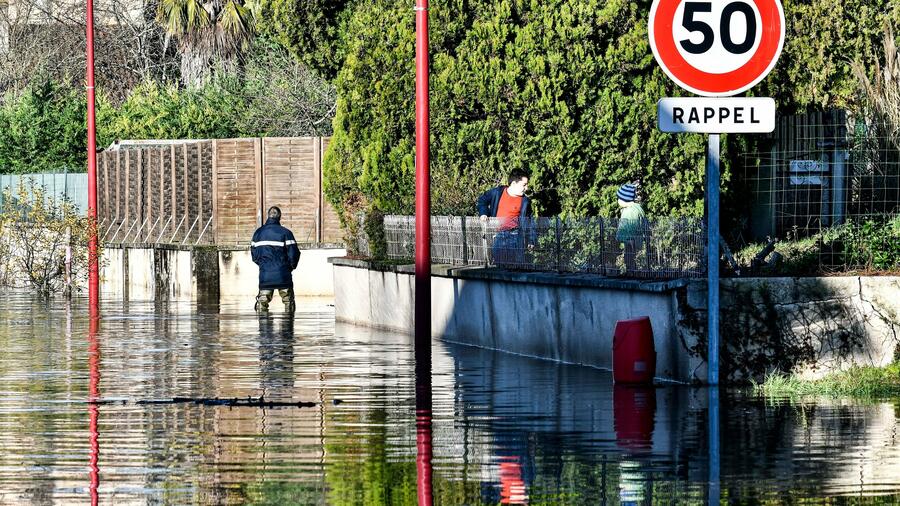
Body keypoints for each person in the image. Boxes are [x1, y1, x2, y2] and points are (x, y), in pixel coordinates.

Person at [477, 169, 534, 268]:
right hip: (498, 235)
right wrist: (483, 213)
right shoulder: (497, 192)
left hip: (516, 235)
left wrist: (531, 240)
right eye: (524, 185)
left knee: (515, 266)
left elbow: (529, 221)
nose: (526, 188)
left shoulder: (525, 201)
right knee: (499, 265)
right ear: (513, 183)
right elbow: (482, 200)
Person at [251, 206, 301, 311]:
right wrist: (290, 267)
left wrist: (263, 265)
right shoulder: (286, 233)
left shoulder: (258, 233)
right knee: (289, 303)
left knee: (262, 305)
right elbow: (294, 253)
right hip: (283, 275)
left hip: (265, 277)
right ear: (279, 217)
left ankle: (264, 326)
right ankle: (288, 325)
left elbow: (254, 256)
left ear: (268, 216)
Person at [615, 183, 649, 275]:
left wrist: (627, 239)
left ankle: (631, 273)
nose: (618, 201)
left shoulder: (630, 211)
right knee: (630, 257)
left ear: (625, 199)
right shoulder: (636, 209)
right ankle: (631, 272)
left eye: (619, 198)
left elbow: (629, 227)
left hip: (630, 241)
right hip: (634, 239)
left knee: (629, 257)